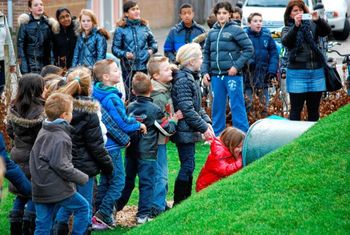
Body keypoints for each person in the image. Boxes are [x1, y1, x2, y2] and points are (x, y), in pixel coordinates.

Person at [53, 67, 114, 233]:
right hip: (84, 167)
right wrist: (108, 165)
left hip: (62, 163)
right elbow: (95, 144)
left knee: (67, 202)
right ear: (89, 88)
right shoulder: (88, 112)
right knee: (84, 205)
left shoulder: (58, 106)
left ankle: (57, 230)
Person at [92, 59, 146, 229]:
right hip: (112, 147)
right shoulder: (111, 97)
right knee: (118, 181)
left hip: (102, 144)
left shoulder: (96, 92)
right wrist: (138, 124)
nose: (119, 72)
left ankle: (96, 213)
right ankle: (103, 213)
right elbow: (122, 122)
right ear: (106, 77)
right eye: (115, 70)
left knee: (106, 179)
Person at [118, 72, 177, 224]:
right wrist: (174, 121)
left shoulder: (130, 107)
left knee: (128, 182)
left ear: (133, 91)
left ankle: (113, 209)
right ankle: (142, 215)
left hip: (131, 152)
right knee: (146, 184)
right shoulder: (154, 109)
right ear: (151, 88)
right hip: (148, 154)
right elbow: (167, 129)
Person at [29, 93, 90, 235]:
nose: (72, 115)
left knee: (43, 224)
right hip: (56, 187)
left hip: (39, 185)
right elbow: (61, 165)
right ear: (64, 116)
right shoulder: (61, 137)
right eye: (71, 112)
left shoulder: (44, 129)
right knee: (82, 207)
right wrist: (82, 177)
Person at [171, 43, 214, 205]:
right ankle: (179, 202)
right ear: (190, 61)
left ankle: (184, 201)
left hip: (188, 130)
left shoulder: (191, 77)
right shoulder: (183, 79)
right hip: (183, 130)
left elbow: (197, 107)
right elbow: (187, 110)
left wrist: (207, 123)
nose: (202, 61)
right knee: (187, 165)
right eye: (200, 58)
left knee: (189, 164)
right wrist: (203, 127)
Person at [202, 1, 254, 135]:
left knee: (237, 105)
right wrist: (204, 72)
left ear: (230, 14)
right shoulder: (212, 32)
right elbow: (206, 53)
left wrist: (236, 66)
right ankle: (217, 135)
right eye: (219, 13)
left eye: (224, 13)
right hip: (216, 76)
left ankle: (242, 134)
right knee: (217, 106)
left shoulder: (236, 30)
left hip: (232, 76)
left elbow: (249, 49)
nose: (221, 16)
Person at [6, 73, 45, 235]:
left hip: (17, 154)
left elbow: (10, 131)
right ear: (38, 89)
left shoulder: (14, 108)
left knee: (21, 194)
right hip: (35, 158)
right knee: (34, 194)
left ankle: (15, 227)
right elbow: (43, 137)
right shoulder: (41, 111)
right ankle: (29, 227)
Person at [281, 0, 331, 121]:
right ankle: (295, 139)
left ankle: (312, 138)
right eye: (295, 10)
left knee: (314, 111)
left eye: (301, 10)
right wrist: (296, 27)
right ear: (289, 14)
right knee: (295, 110)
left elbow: (326, 31)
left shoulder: (312, 25)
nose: (299, 12)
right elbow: (286, 42)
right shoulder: (287, 28)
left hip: (316, 73)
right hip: (297, 73)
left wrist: (318, 20)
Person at [148, 55, 183, 216]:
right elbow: (158, 122)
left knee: (161, 173)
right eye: (166, 69)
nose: (170, 70)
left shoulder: (162, 88)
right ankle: (156, 207)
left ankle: (159, 203)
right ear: (155, 76)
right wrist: (174, 120)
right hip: (156, 142)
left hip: (159, 141)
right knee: (160, 175)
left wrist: (172, 69)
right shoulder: (158, 95)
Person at [112, 0, 158, 101]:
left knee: (144, 94)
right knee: (131, 96)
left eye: (137, 9)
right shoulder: (120, 29)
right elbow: (115, 49)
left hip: (143, 67)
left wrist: (150, 51)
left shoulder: (144, 27)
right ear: (126, 13)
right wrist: (124, 54)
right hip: (128, 68)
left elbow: (154, 44)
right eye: (133, 9)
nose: (137, 11)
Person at [244, 12, 279, 111]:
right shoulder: (245, 36)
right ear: (249, 23)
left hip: (264, 76)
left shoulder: (267, 37)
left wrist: (272, 69)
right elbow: (240, 51)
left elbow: (274, 54)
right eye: (255, 21)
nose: (258, 23)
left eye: (260, 21)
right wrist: (248, 62)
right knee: (249, 105)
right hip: (248, 77)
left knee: (264, 106)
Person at [196, 127, 245, 192]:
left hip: (216, 184)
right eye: (238, 146)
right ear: (228, 143)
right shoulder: (218, 154)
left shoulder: (229, 151)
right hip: (205, 188)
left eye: (242, 146)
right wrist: (241, 160)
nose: (241, 150)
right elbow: (226, 170)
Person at [17, 0, 58, 74]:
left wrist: (51, 64)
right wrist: (24, 68)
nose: (39, 6)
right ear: (30, 8)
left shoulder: (47, 24)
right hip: (30, 64)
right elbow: (20, 47)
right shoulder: (25, 24)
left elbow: (51, 46)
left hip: (46, 65)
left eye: (41, 4)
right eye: (36, 5)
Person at [0, 11, 16, 94]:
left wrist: (12, 62)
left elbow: (8, 40)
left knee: (1, 90)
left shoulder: (2, 17)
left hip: (2, 61)